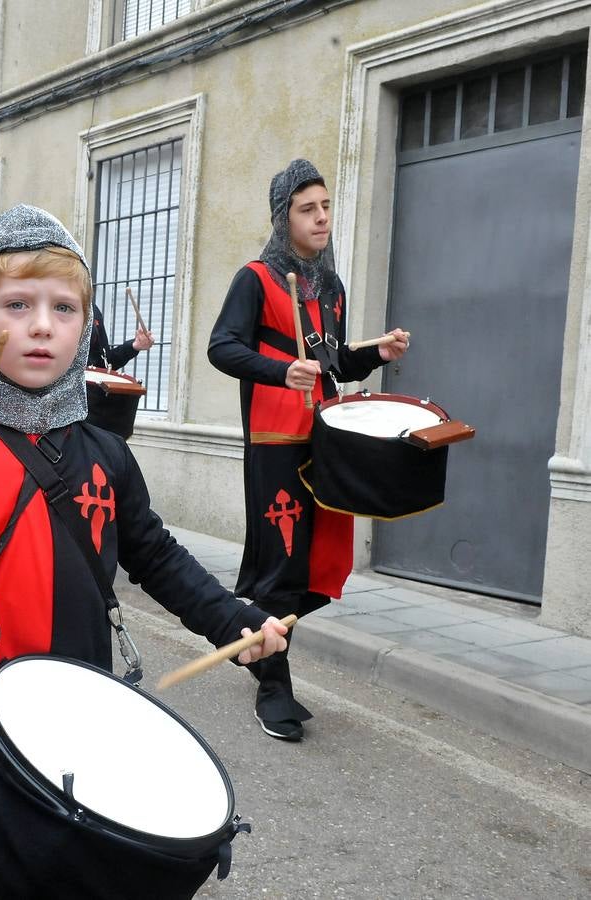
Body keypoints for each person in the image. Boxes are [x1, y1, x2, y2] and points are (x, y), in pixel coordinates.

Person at [0, 204, 290, 896]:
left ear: (86, 327)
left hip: (78, 718)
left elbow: (158, 558)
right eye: (17, 305)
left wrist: (234, 619)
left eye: (63, 307)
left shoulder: (108, 456)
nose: (42, 326)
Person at [208, 158, 409, 742]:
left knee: (323, 568)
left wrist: (377, 355)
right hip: (274, 441)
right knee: (281, 565)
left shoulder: (330, 284)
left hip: (324, 438)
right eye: (307, 209)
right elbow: (223, 348)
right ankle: (274, 683)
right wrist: (278, 370)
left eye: (325, 206)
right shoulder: (255, 278)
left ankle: (253, 632)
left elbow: (334, 360)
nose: (321, 218)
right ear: (283, 217)